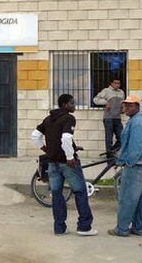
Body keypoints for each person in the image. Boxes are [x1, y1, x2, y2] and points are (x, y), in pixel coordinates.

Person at [31, 94, 98, 236]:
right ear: (64, 105)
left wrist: (45, 149)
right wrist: (69, 157)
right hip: (67, 163)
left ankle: (59, 228)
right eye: (72, 103)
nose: (74, 106)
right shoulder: (69, 118)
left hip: (52, 163)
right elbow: (66, 138)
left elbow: (35, 136)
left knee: (56, 194)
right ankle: (84, 227)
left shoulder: (48, 119)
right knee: (80, 192)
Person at [108, 95, 142, 237]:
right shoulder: (136, 121)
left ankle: (122, 229)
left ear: (137, 106)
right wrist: (121, 159)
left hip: (136, 165)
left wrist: (128, 162)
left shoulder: (137, 123)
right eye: (125, 105)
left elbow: (136, 146)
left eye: (130, 105)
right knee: (141, 199)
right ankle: (138, 228)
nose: (126, 108)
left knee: (127, 197)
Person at [93, 77, 125, 153]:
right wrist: (105, 103)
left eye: (119, 83)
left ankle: (111, 152)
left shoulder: (121, 92)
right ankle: (109, 156)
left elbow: (122, 103)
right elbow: (95, 99)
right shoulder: (106, 91)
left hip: (117, 118)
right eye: (115, 83)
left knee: (122, 137)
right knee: (109, 138)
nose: (117, 85)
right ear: (111, 83)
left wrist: (123, 108)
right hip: (108, 118)